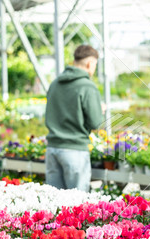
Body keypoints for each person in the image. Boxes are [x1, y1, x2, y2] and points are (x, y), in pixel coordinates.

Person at [45, 45, 104, 192]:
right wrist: (100, 110)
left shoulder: (55, 84)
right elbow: (96, 122)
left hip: (52, 149)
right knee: (78, 205)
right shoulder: (87, 86)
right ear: (90, 63)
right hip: (74, 150)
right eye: (95, 65)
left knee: (54, 205)